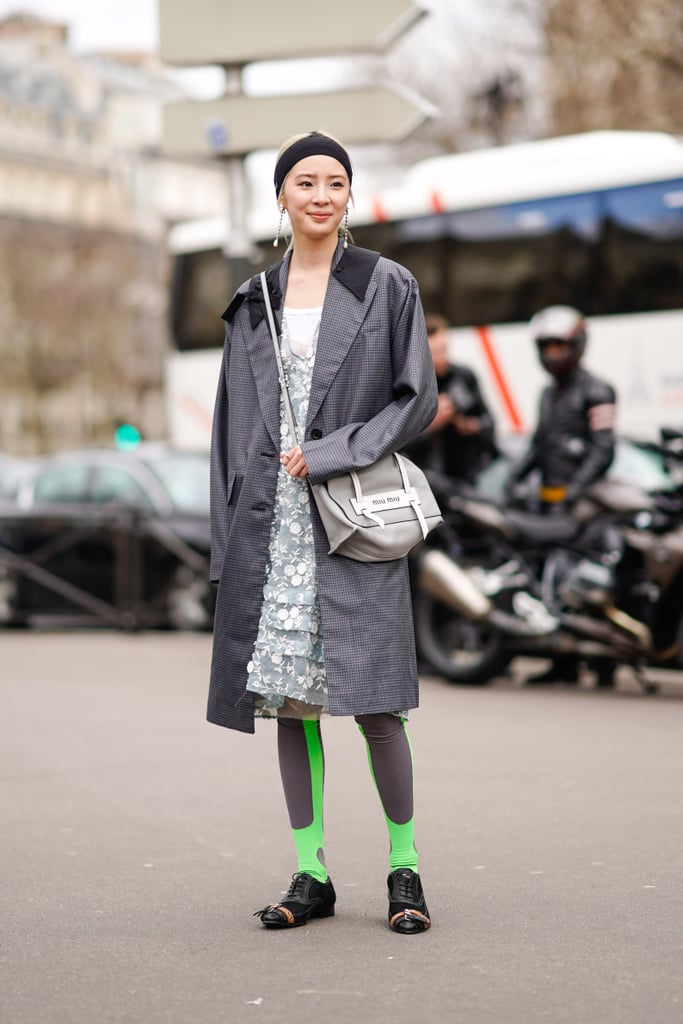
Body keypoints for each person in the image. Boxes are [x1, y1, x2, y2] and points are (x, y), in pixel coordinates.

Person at [207, 131, 438, 934]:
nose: (319, 193)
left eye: (334, 181)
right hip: (270, 532)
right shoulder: (252, 300)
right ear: (280, 196)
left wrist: (335, 452)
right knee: (291, 706)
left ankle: (403, 870)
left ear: (349, 197)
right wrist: (221, 546)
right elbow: (229, 431)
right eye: (303, 180)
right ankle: (311, 874)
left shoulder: (385, 285)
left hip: (351, 518)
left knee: (378, 705)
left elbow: (415, 398)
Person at [506, 305, 618, 685]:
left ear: (578, 345)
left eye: (560, 345)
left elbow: (603, 450)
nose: (553, 354)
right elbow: (539, 444)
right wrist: (515, 478)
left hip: (584, 506)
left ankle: (606, 664)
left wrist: (577, 491)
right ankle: (563, 661)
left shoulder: (598, 390)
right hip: (550, 502)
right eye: (547, 346)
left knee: (585, 578)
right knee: (548, 576)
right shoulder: (548, 394)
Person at [407, 313, 497, 484]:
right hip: (430, 479)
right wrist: (432, 424)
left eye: (444, 349)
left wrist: (471, 427)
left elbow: (489, 422)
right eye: (434, 352)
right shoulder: (413, 385)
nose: (441, 357)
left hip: (469, 472)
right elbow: (401, 444)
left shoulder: (463, 376)